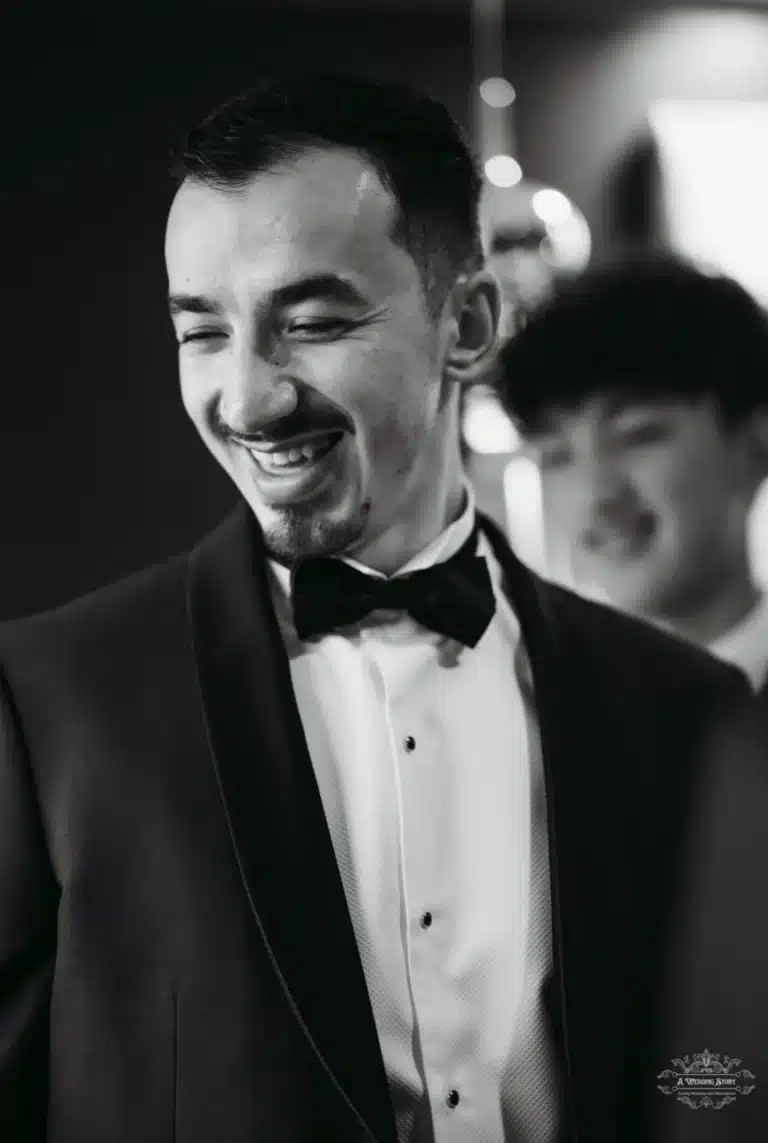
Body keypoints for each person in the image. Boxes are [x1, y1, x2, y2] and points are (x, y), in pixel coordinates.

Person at [0, 74, 749, 1143]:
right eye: (203, 333)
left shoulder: (679, 708)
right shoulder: (51, 705)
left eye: (310, 322)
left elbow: (715, 1086)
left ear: (470, 322)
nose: (248, 398)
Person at [496, 254, 768, 689]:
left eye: (638, 435)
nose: (595, 492)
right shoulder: (546, 714)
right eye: (555, 455)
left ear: (755, 447)